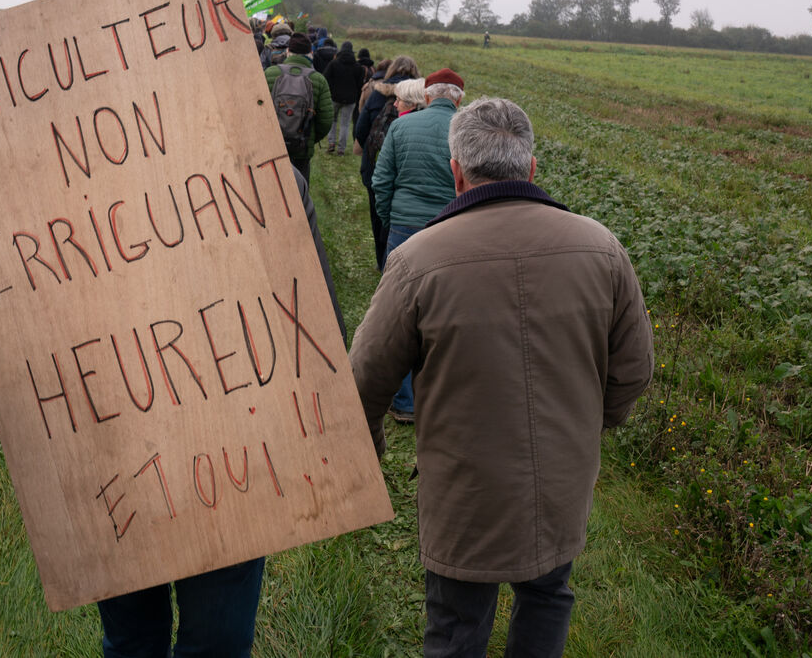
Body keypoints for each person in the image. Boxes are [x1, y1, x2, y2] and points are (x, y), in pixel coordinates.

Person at [349, 97, 654, 658]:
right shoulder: (602, 248)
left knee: (457, 624)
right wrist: (589, 428)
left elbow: (366, 380)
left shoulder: (417, 261)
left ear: (456, 172)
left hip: (464, 488)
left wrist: (370, 456)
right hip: (562, 480)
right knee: (548, 596)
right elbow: (635, 368)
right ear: (531, 168)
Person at [96, 168, 344, 656]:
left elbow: (313, 321)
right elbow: (320, 327)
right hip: (175, 448)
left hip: (189, 453)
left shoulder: (268, 178)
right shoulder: (266, 173)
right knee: (194, 640)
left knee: (162, 640)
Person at [371, 68, 464, 423]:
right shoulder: (465, 132)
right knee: (444, 311)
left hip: (403, 228)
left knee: (398, 313)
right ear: (459, 100)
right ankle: (439, 397)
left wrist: (390, 218)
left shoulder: (401, 127)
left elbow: (382, 180)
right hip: (449, 228)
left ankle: (404, 401)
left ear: (426, 96)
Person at [354, 55, 418, 272]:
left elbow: (360, 129)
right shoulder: (420, 98)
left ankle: (381, 259)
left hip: (374, 166)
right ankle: (402, 260)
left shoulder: (377, 93)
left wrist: (370, 149)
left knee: (378, 213)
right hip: (407, 167)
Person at [265, 30, 333, 183]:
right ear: (310, 53)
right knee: (299, 189)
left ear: (288, 52)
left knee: (272, 186)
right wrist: (309, 137)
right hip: (302, 148)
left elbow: (257, 111)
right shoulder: (318, 80)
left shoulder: (270, 73)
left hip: (272, 146)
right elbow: (325, 120)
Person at [324, 40, 367, 155]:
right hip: (350, 99)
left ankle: (331, 143)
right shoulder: (358, 67)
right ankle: (341, 149)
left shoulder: (333, 64)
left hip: (334, 97)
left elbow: (325, 78)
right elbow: (360, 85)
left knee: (332, 120)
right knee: (345, 124)